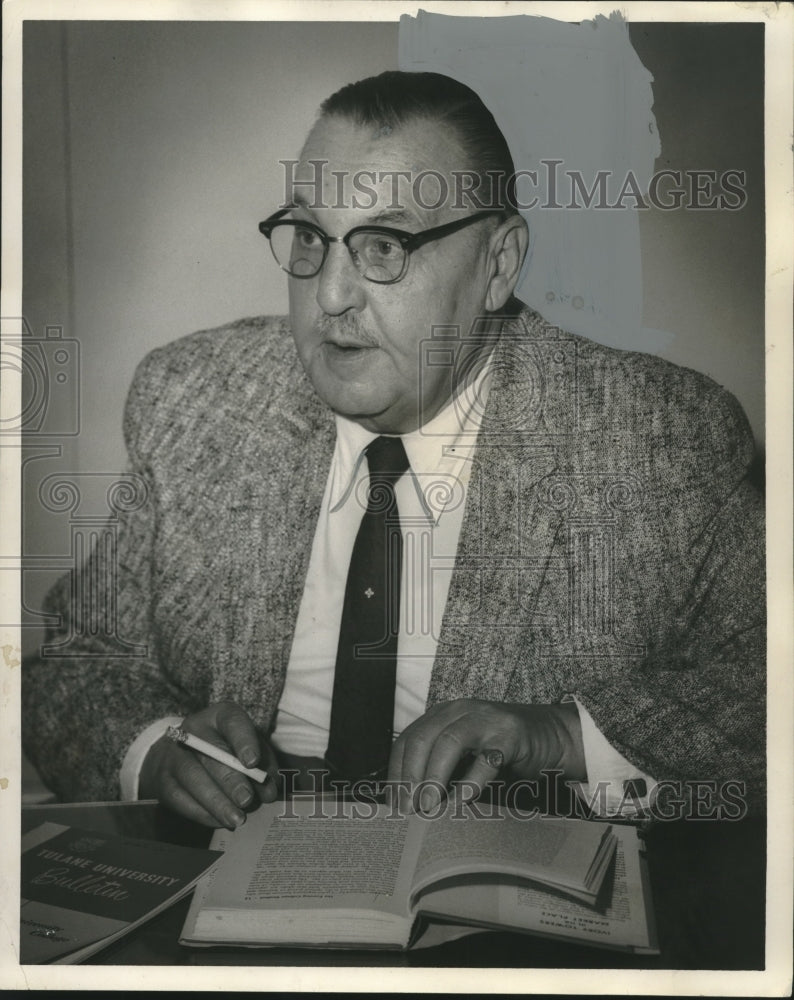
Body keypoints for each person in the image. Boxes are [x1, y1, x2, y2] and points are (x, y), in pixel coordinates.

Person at [22, 71, 765, 830]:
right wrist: (155, 752)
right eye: (312, 237)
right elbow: (80, 665)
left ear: (498, 264)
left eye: (385, 244)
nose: (332, 294)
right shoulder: (194, 397)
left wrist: (562, 736)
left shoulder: (661, 435)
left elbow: (768, 689)